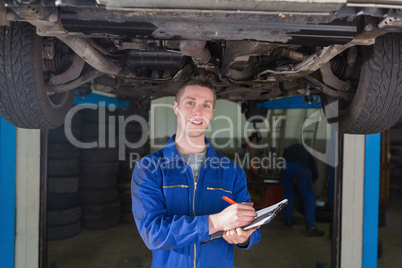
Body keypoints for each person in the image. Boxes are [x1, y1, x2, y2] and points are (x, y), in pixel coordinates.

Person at [131, 80, 261, 267]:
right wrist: (215, 222)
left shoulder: (232, 171)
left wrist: (244, 237)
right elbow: (153, 234)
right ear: (176, 107)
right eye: (190, 102)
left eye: (206, 105)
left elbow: (252, 228)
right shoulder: (149, 168)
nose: (198, 111)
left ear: (212, 113)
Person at [282, 143, 324, 237]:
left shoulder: (289, 148)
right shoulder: (307, 153)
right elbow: (315, 172)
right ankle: (311, 227)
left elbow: (282, 160)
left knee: (288, 194)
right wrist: (310, 183)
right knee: (309, 198)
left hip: (287, 166)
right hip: (301, 167)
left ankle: (288, 220)